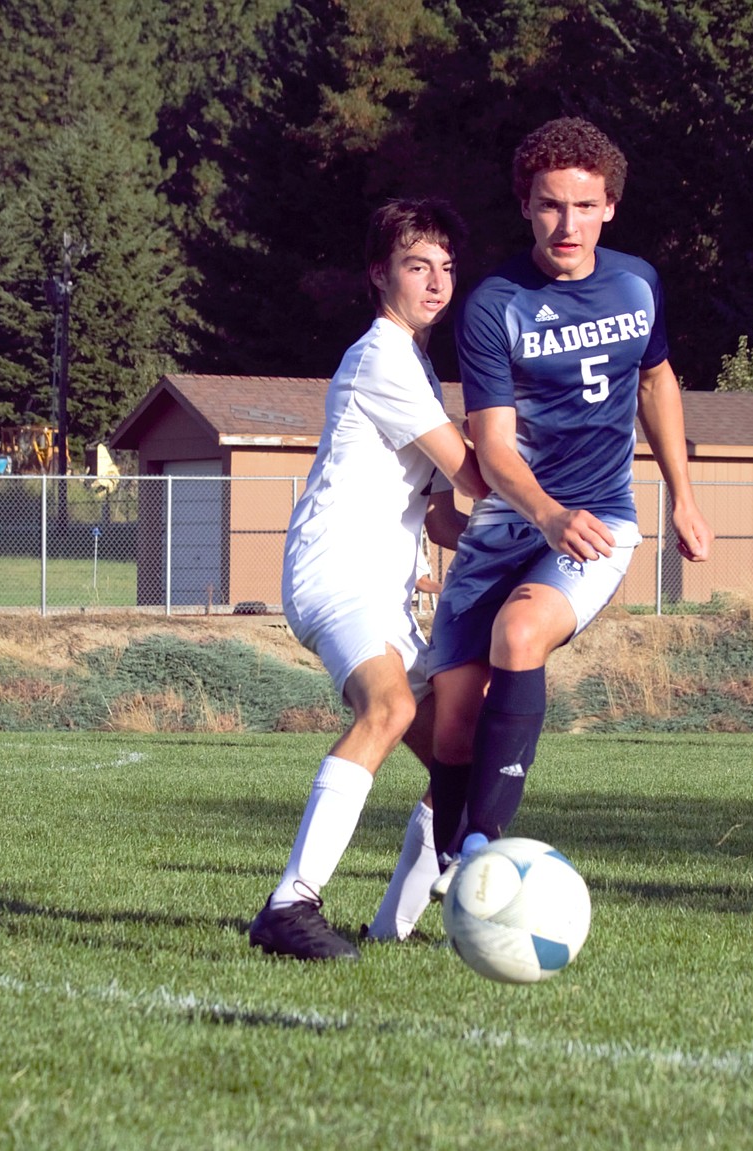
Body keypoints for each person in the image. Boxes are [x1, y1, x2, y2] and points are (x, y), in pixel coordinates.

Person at [426, 117, 713, 894]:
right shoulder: (494, 305)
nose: (567, 224)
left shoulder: (637, 282)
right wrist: (544, 513)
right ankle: (437, 866)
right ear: (526, 206)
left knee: (520, 633)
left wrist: (682, 494)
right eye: (551, 205)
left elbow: (657, 382)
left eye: (584, 207)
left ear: (610, 207)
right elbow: (493, 448)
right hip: (515, 519)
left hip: (598, 521)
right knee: (451, 716)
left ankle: (481, 850)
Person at [247, 198, 489, 961]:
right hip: (335, 569)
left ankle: (392, 930)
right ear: (379, 273)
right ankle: (290, 904)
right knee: (389, 706)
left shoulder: (413, 363)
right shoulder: (383, 356)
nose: (437, 281)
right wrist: (551, 489)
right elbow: (473, 475)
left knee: (462, 755)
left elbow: (444, 515)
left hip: (380, 588)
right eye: (418, 265)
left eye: (447, 267)